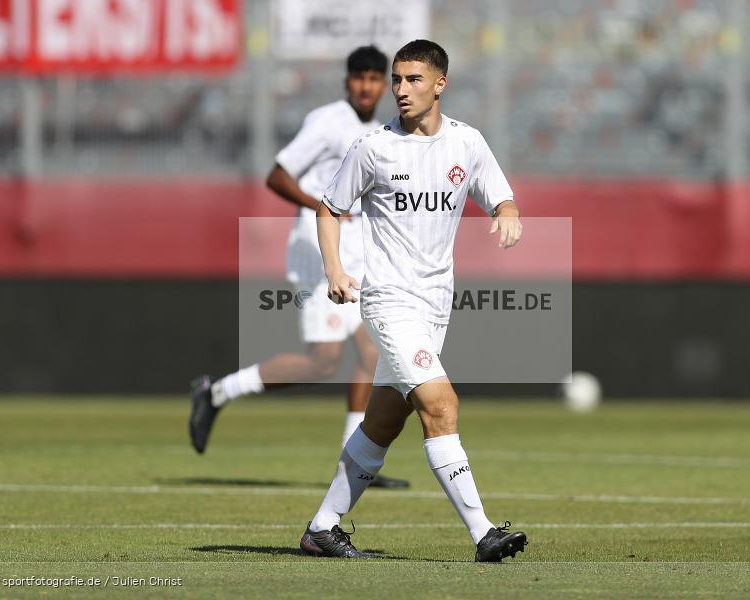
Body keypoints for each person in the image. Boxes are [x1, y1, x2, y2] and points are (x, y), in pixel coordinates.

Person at [299, 39, 528, 562]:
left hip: (434, 306)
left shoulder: (466, 143)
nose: (399, 90)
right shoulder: (373, 147)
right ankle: (484, 533)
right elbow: (329, 209)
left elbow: (500, 192)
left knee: (382, 422)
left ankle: (322, 528)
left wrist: (507, 211)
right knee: (441, 406)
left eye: (412, 80)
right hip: (388, 301)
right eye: (397, 80)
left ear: (440, 84)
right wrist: (334, 267)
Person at [188, 45, 409, 489]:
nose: (366, 86)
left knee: (373, 353)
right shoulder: (328, 122)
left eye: (373, 78)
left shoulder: (385, 129)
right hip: (317, 253)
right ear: (346, 81)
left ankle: (356, 463)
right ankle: (217, 392)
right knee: (324, 362)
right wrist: (324, 208)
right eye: (358, 77)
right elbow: (277, 175)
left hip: (358, 256)